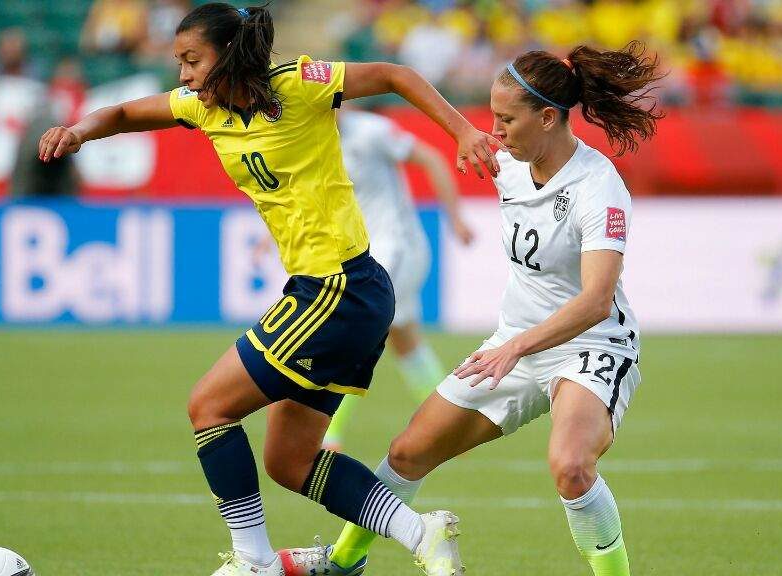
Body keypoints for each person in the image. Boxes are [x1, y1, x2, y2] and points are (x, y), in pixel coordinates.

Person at [38, 4, 501, 576]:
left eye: (191, 61)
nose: (182, 75)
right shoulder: (201, 109)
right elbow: (131, 111)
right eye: (178, 62)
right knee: (291, 460)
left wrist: (461, 129)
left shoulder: (298, 86)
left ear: (228, 56)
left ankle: (253, 561)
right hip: (340, 293)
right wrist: (79, 130)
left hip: (337, 288)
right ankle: (421, 533)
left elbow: (391, 75)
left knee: (209, 406)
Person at [280, 41, 663, 576]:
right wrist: (461, 133)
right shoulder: (508, 161)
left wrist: (516, 347)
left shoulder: (599, 188)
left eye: (506, 119)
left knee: (571, 467)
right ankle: (342, 564)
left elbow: (596, 301)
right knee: (407, 452)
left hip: (590, 347)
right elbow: (452, 130)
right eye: (490, 117)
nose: (495, 130)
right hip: (514, 345)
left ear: (549, 118)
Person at [321, 105, 474, 451]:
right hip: (365, 253)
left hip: (398, 248)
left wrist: (455, 217)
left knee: (357, 329)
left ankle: (329, 433)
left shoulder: (372, 131)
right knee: (405, 341)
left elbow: (432, 158)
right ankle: (452, 425)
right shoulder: (314, 139)